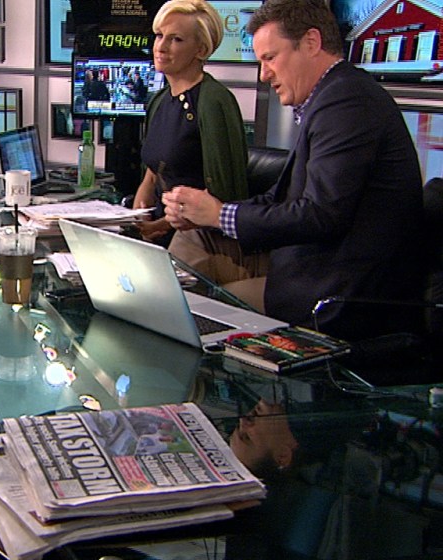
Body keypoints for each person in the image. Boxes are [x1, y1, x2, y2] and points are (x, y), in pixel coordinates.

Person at [163, 0, 423, 340]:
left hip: (341, 294)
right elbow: (282, 198)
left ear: (311, 43)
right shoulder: (332, 97)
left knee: (200, 307)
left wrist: (219, 214)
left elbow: (322, 214)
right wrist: (209, 214)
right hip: (307, 266)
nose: (264, 74)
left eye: (270, 58)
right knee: (193, 239)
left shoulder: (348, 101)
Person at [133, 0, 260, 291]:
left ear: (201, 50)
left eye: (176, 39)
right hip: (157, 231)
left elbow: (224, 194)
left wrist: (161, 225)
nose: (161, 46)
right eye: (160, 36)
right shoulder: (159, 100)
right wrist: (143, 195)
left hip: (199, 240)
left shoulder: (213, 101)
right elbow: (156, 165)